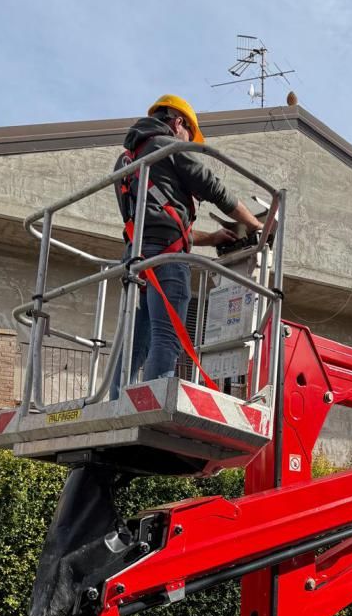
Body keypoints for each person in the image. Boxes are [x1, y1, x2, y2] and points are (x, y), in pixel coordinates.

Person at [110, 94, 263, 397]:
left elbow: (154, 221)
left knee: (138, 338)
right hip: (166, 259)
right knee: (167, 336)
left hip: (138, 259)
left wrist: (213, 238)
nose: (188, 142)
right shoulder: (170, 147)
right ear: (179, 123)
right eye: (189, 136)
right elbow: (215, 190)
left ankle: (116, 401)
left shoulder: (126, 160)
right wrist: (256, 226)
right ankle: (153, 406)